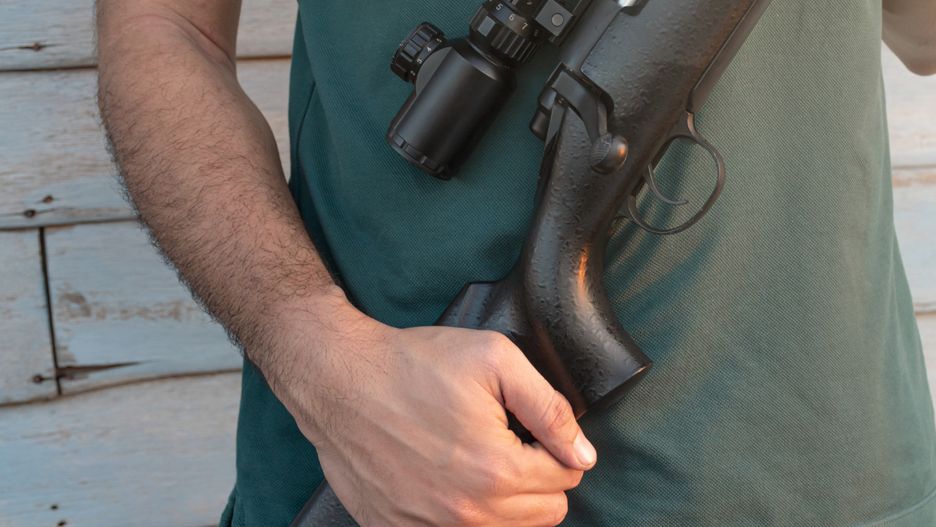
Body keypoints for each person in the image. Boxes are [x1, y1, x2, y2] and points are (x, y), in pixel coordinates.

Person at [96, 1, 936, 525]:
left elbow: (922, 32)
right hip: (399, 471)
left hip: (829, 476)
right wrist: (321, 360)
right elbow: (162, 27)